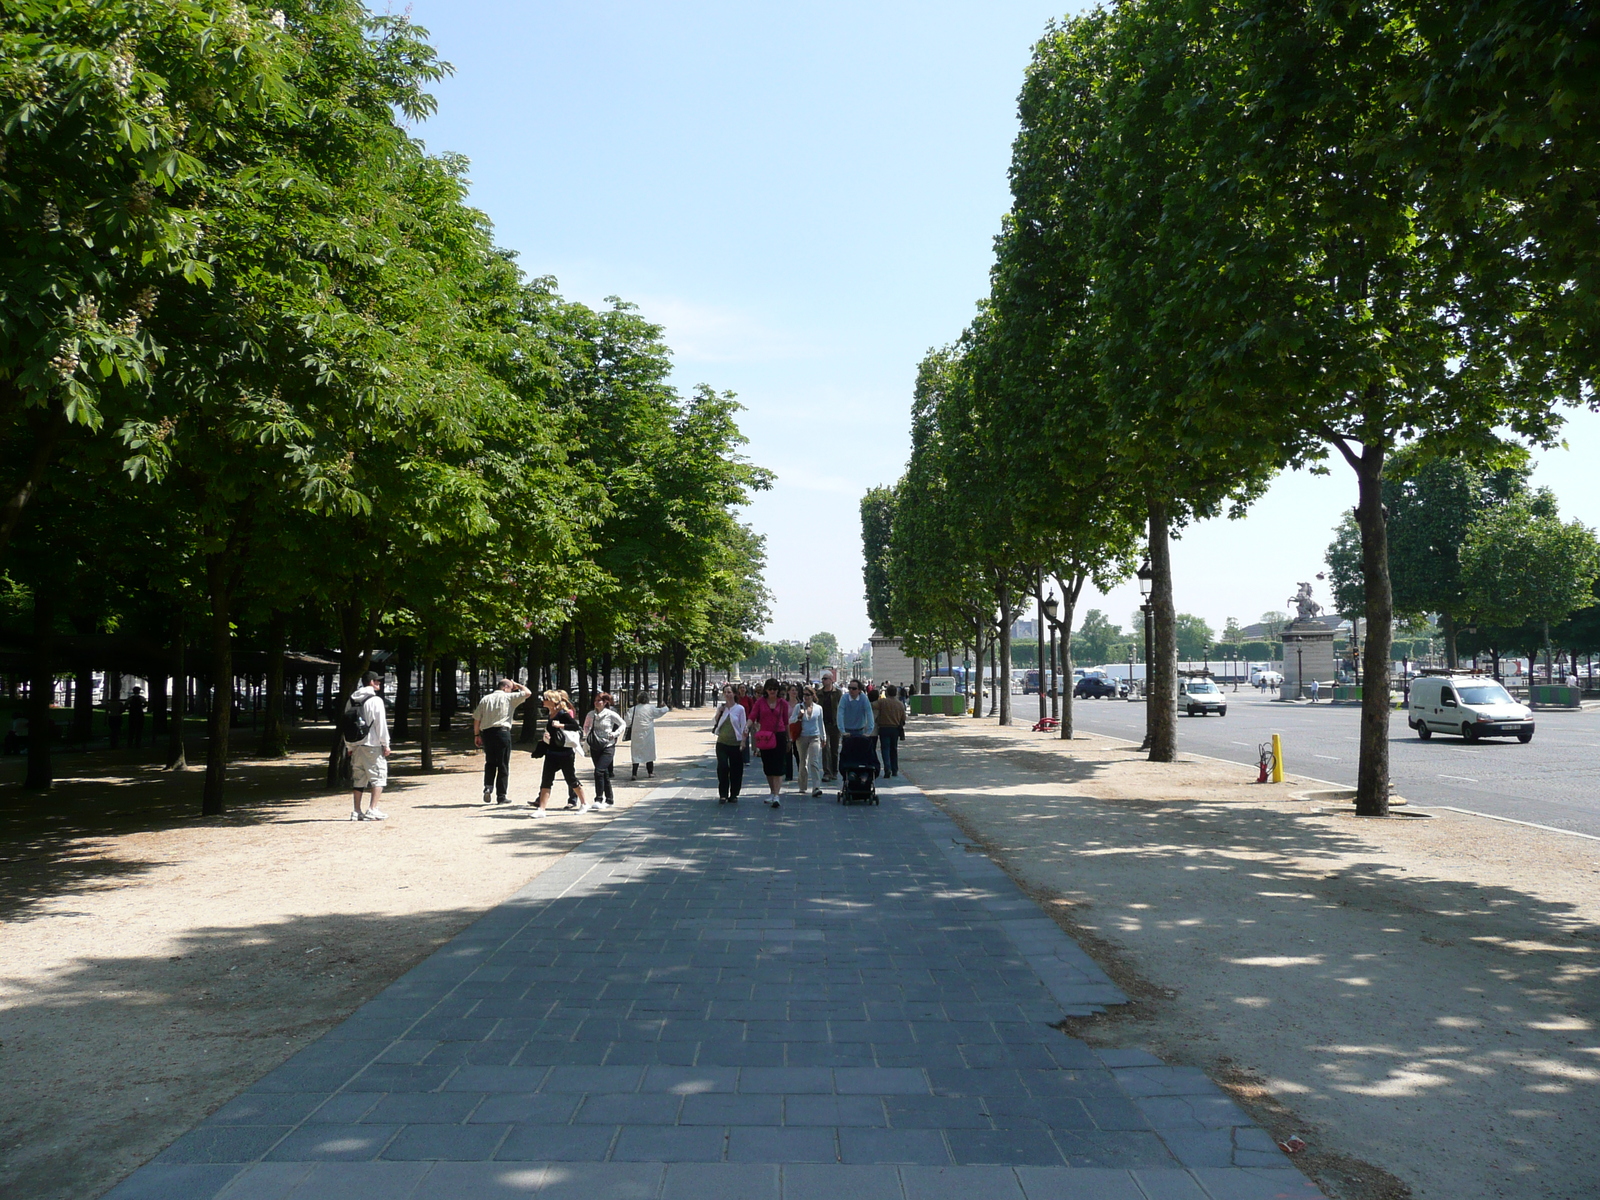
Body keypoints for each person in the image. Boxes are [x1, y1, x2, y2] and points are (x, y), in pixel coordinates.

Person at [472, 676, 532, 804]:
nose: (512, 691)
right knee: (503, 764)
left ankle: (488, 787)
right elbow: (528, 693)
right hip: (502, 733)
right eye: (511, 688)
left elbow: (477, 719)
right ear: (505, 688)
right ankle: (501, 796)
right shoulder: (508, 697)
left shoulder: (485, 699)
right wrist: (517, 684)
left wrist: (477, 735)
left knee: (490, 762)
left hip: (487, 734)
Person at [342, 670, 391, 821]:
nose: (379, 683)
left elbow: (347, 724)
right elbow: (380, 724)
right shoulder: (376, 701)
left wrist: (349, 746)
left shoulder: (351, 700)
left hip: (355, 745)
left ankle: (356, 811)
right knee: (378, 776)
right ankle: (373, 808)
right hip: (372, 744)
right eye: (377, 681)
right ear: (371, 682)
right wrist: (385, 744)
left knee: (359, 778)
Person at [533, 689, 586, 816]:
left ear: (552, 701)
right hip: (551, 752)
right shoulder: (550, 713)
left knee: (571, 780)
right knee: (546, 780)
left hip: (565, 753)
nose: (543, 701)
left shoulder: (562, 714)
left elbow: (576, 727)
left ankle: (584, 803)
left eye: (545, 699)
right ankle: (541, 809)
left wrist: (560, 725)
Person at [748, 677, 791, 808]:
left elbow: (787, 722)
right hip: (765, 737)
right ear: (766, 690)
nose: (772, 691)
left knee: (778, 766)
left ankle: (777, 795)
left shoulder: (783, 703)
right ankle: (772, 792)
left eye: (775, 689)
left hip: (779, 735)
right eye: (770, 688)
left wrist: (789, 738)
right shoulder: (760, 702)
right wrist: (746, 726)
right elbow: (752, 716)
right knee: (768, 766)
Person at [583, 692, 627, 807]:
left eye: (599, 700)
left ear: (605, 702)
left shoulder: (610, 714)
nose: (597, 703)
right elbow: (586, 726)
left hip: (608, 746)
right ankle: (609, 799)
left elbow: (623, 724)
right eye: (595, 700)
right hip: (594, 746)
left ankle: (598, 799)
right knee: (604, 773)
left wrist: (615, 734)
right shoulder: (591, 714)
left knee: (599, 771)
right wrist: (588, 734)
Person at [712, 684, 748, 804]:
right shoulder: (722, 708)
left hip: (735, 743)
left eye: (729, 692)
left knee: (736, 769)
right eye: (725, 692)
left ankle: (734, 794)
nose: (727, 694)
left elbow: (743, 726)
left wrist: (743, 741)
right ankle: (723, 794)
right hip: (722, 742)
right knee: (722, 767)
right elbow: (715, 721)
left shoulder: (740, 709)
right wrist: (719, 712)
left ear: (734, 694)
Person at [624, 690, 670, 779]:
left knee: (636, 753)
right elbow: (661, 711)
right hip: (648, 733)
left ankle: (634, 774)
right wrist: (665, 706)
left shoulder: (633, 709)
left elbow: (627, 721)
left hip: (636, 733)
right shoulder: (651, 708)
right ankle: (650, 772)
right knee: (649, 752)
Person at [794, 686, 825, 797]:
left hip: (815, 736)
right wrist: (798, 717)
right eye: (804, 695)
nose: (805, 697)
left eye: (808, 695)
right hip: (802, 737)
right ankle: (802, 785)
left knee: (814, 762)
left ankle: (816, 787)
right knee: (803, 762)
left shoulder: (818, 708)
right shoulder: (798, 707)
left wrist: (823, 737)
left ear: (813, 696)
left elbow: (821, 723)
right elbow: (791, 721)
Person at [873, 684, 906, 777]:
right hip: (895, 728)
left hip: (883, 728)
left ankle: (887, 768)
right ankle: (895, 769)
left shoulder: (882, 702)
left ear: (887, 692)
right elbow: (903, 718)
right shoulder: (900, 704)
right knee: (893, 749)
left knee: (885, 749)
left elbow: (872, 705)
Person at [816, 670, 842, 781]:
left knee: (835, 750)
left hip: (835, 724)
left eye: (825, 678)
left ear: (831, 680)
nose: (823, 680)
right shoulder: (819, 693)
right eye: (822, 679)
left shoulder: (838, 693)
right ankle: (827, 772)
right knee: (825, 749)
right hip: (823, 724)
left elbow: (841, 708)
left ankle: (834, 771)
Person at [784, 682, 802, 781]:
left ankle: (801, 772)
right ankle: (788, 774)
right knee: (788, 752)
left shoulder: (800, 704)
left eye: (795, 690)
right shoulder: (785, 704)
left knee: (798, 752)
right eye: (792, 690)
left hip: (797, 730)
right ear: (788, 692)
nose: (794, 692)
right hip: (787, 729)